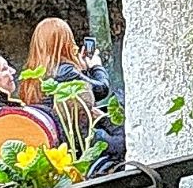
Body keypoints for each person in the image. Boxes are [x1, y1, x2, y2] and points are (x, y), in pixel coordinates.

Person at [22, 17, 124, 166]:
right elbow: (100, 90)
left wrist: (82, 70)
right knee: (124, 139)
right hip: (78, 136)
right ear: (65, 43)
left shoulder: (32, 73)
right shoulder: (65, 71)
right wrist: (96, 66)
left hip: (58, 139)